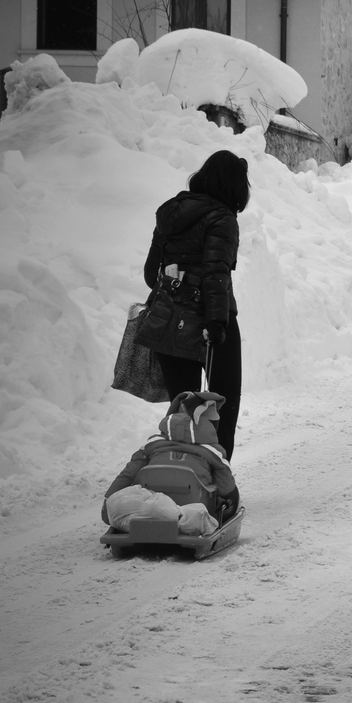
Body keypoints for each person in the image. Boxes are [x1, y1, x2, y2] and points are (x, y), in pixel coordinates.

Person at [144, 150, 246, 457]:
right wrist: (216, 323)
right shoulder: (223, 219)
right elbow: (216, 274)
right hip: (212, 322)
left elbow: (152, 274)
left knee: (184, 409)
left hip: (169, 320)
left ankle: (183, 478)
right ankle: (217, 481)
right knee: (221, 405)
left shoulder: (170, 213)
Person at [102, 390, 239, 531]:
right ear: (211, 426)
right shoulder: (213, 451)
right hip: (191, 508)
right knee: (227, 497)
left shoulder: (152, 443)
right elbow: (225, 487)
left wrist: (108, 502)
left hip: (151, 505)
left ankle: (140, 522)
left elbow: (128, 474)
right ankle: (202, 522)